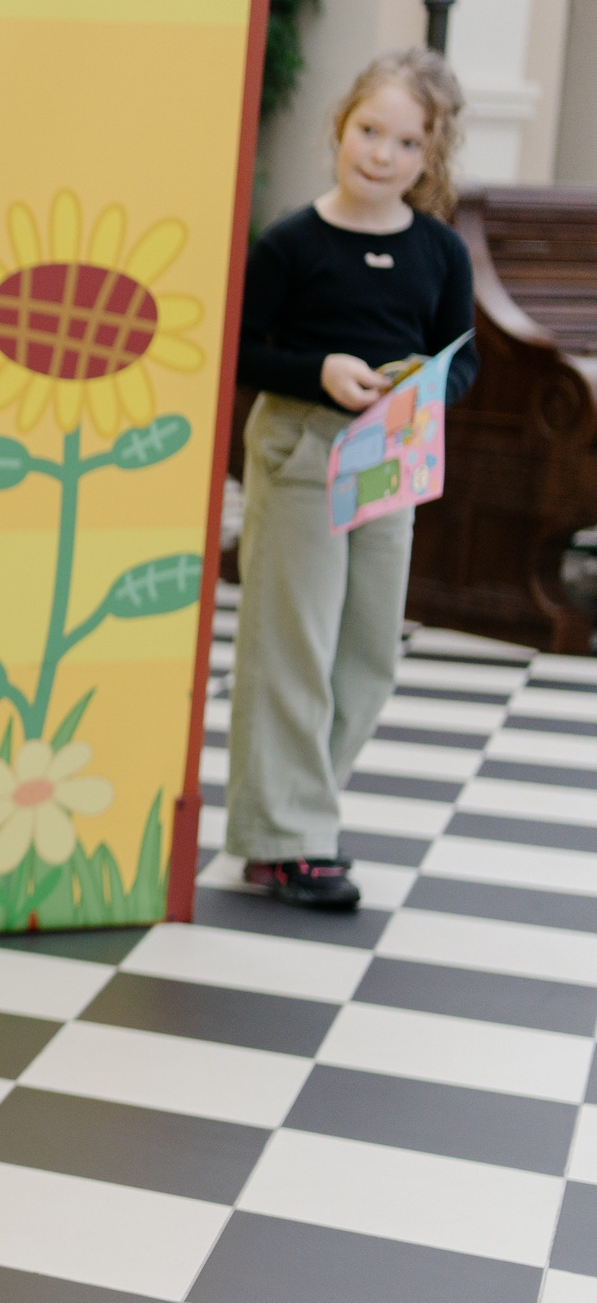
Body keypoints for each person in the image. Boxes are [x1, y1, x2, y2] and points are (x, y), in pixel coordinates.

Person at [228, 48, 476, 910]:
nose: (381, 154)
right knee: (293, 643)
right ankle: (289, 838)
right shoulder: (292, 244)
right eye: (369, 131)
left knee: (366, 651)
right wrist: (320, 371)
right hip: (304, 445)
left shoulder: (440, 252)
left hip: (391, 453)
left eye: (406, 143)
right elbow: (246, 353)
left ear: (427, 160)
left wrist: (424, 383)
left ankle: (298, 812)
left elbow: (464, 360)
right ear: (340, 127)